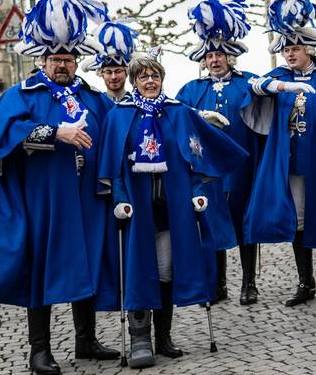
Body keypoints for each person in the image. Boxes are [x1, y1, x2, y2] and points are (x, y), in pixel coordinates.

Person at [0, 0, 121, 375]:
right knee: (42, 266)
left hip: (85, 197)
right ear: (42, 59)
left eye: (68, 58)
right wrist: (54, 132)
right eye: (55, 58)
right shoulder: (22, 94)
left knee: (87, 262)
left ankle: (85, 339)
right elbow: (4, 135)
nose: (62, 64)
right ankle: (39, 351)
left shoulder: (93, 98)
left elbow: (118, 128)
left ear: (77, 61)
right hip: (42, 198)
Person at [103, 50, 246, 367]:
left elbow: (194, 155)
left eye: (155, 76)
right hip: (136, 209)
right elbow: (113, 166)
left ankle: (164, 335)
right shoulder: (119, 115)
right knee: (139, 269)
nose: (150, 81)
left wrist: (197, 191)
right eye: (143, 76)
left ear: (162, 79)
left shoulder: (178, 112)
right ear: (134, 81)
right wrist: (120, 199)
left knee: (165, 271)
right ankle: (141, 339)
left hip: (171, 206)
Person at [245, 0, 316, 306]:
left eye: (294, 49)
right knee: (300, 222)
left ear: (309, 49)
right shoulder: (280, 78)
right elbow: (256, 86)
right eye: (285, 50)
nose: (289, 54)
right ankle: (306, 282)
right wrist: (281, 87)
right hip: (291, 162)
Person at [176, 0, 264, 305]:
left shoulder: (248, 83)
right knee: (211, 223)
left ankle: (249, 283)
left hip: (241, 167)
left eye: (221, 54)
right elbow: (178, 119)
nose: (215, 60)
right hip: (208, 171)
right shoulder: (190, 90)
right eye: (210, 55)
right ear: (203, 58)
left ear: (231, 57)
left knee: (243, 223)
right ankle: (217, 284)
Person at [81, 21, 136, 103]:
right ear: (101, 73)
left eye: (118, 71)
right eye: (108, 72)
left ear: (126, 72)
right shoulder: (94, 103)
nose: (113, 77)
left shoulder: (137, 103)